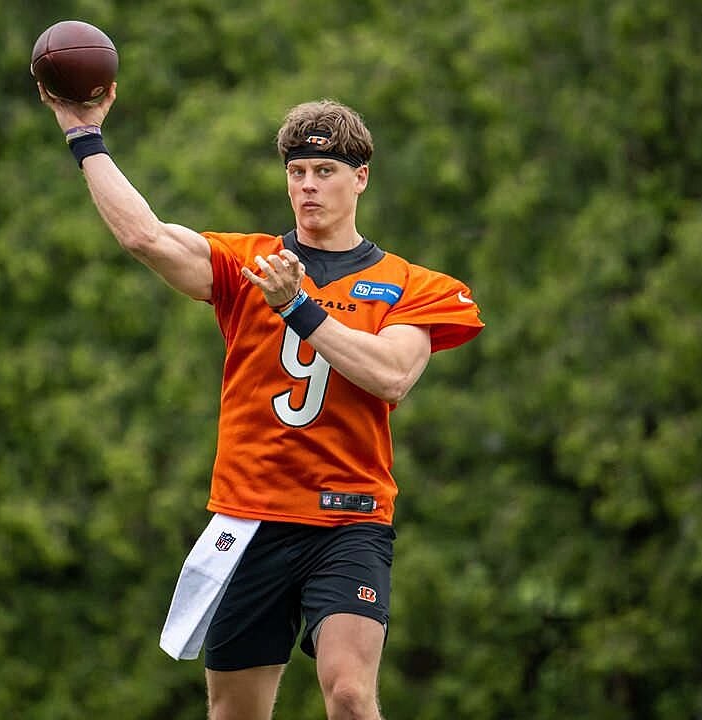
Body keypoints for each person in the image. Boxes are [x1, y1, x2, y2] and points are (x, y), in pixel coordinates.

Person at [40, 82, 483, 720]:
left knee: (353, 697)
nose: (308, 185)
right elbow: (147, 239)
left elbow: (390, 376)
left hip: (348, 518)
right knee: (235, 714)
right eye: (297, 172)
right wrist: (84, 136)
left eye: (325, 171)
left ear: (360, 179)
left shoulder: (411, 285)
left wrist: (298, 308)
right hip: (248, 520)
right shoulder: (250, 264)